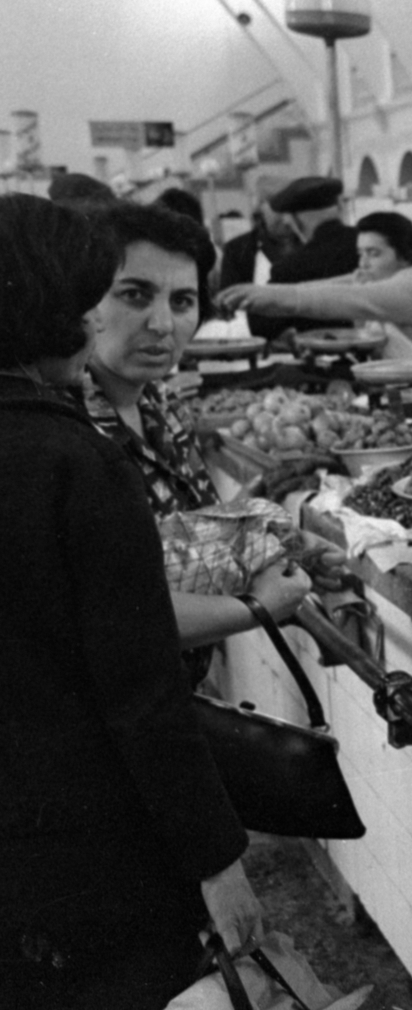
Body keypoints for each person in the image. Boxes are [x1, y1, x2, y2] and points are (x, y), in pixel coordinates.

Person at [0, 193, 261, 1009]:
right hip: (84, 832)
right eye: (105, 297)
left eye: (183, 301)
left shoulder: (129, 422)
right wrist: (215, 862)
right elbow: (138, 688)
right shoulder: (74, 461)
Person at [82, 201, 325, 671]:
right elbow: (103, 610)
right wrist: (256, 608)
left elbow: (187, 547)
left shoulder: (163, 407)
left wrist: (286, 549)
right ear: (86, 299)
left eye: (182, 302)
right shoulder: (66, 431)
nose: (162, 324)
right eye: (135, 295)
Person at [218, 210, 412, 360]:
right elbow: (317, 288)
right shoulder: (376, 278)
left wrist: (274, 297)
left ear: (405, 255)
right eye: (361, 253)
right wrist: (263, 293)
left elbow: (342, 298)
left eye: (374, 253)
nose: (363, 263)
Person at [256, 175, 360, 342]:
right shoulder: (372, 248)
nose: (286, 222)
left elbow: (262, 325)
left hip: (320, 363)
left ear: (296, 218)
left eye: (287, 217)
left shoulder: (289, 268)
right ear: (339, 206)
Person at [217, 175, 299, 340]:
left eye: (291, 210)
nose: (286, 218)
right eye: (279, 209)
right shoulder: (238, 250)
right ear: (261, 208)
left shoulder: (309, 247)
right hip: (254, 341)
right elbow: (231, 305)